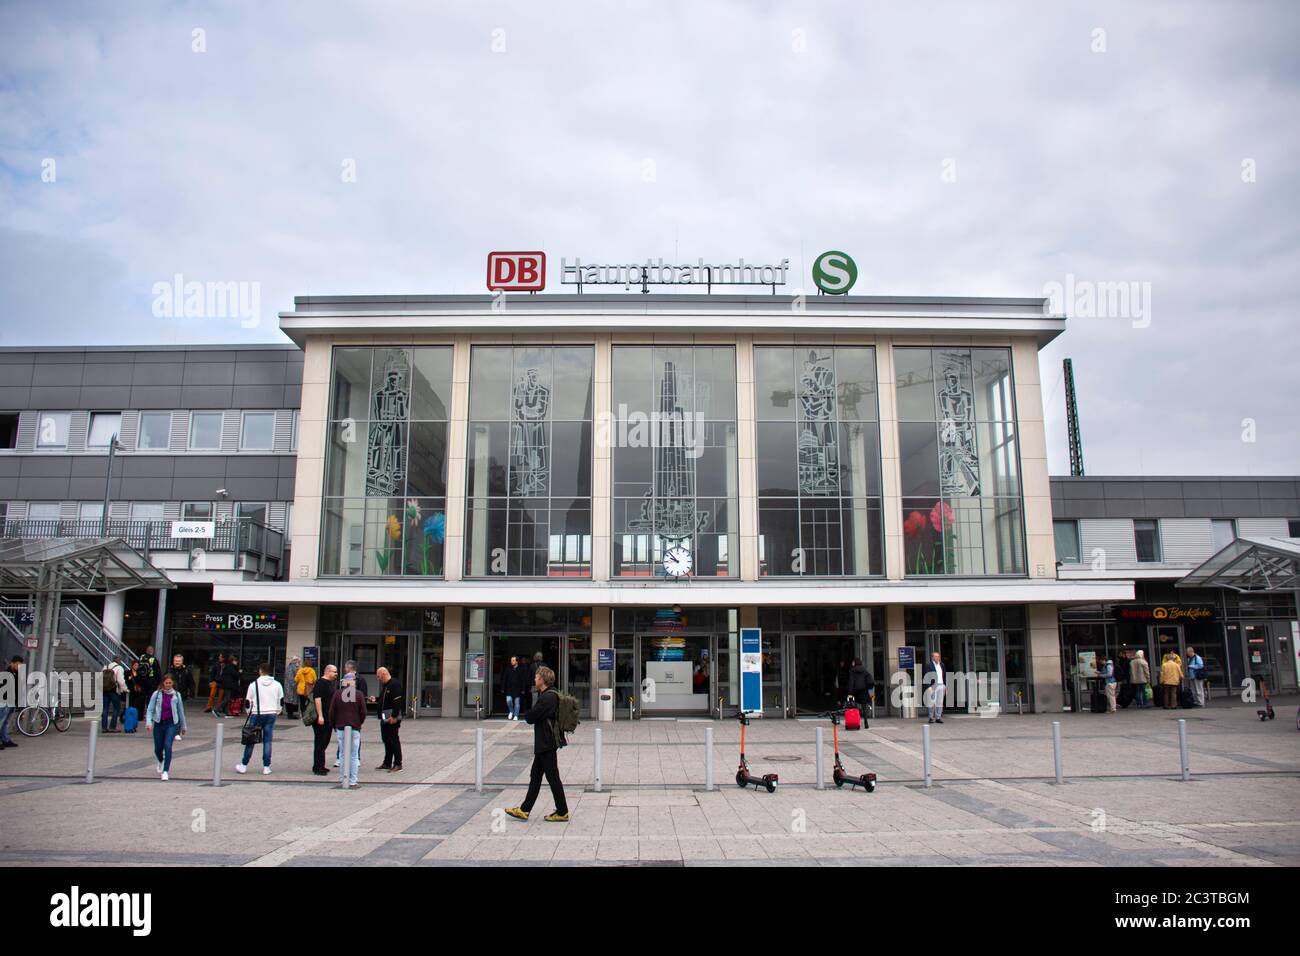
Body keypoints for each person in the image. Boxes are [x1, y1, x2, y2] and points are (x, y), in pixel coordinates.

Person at [506, 664, 569, 823]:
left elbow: (530, 717)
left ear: (542, 679)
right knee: (536, 776)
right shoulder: (549, 695)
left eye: (536, 677)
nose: (534, 679)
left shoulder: (547, 697)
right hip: (545, 743)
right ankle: (524, 810)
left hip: (546, 743)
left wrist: (529, 711)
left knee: (552, 778)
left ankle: (562, 811)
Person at [236, 662, 284, 775]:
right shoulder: (277, 684)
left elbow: (248, 702)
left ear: (260, 671)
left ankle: (244, 765)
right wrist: (277, 711)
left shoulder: (254, 685)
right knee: (268, 741)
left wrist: (250, 712)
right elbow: (281, 700)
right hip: (271, 713)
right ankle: (266, 766)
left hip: (257, 713)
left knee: (251, 739)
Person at [328, 670, 367, 789]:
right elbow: (363, 712)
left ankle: (342, 778)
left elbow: (331, 712)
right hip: (354, 727)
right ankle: (353, 780)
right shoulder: (359, 694)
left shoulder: (337, 694)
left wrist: (334, 725)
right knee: (354, 755)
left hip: (340, 727)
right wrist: (358, 723)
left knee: (342, 754)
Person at [145, 673, 188, 781]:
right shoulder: (157, 694)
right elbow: (150, 709)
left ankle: (165, 771)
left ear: (173, 683)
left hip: (171, 723)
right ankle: (160, 760)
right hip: (159, 723)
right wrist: (149, 722)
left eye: (170, 683)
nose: (168, 685)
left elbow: (180, 711)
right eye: (166, 683)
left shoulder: (176, 695)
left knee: (168, 745)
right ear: (163, 683)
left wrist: (183, 726)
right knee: (158, 749)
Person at [372, 666, 404, 772]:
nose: (378, 678)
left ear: (384, 674)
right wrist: (375, 699)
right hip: (384, 715)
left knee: (393, 739)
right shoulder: (386, 686)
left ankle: (398, 763)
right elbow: (384, 699)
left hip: (391, 716)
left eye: (378, 676)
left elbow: (397, 701)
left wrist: (394, 716)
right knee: (386, 739)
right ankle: (387, 762)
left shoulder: (394, 684)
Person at [311, 664, 338, 776]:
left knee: (325, 741)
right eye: (334, 672)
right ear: (327, 671)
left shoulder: (329, 683)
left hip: (328, 718)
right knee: (320, 742)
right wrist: (320, 715)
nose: (336, 674)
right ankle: (318, 767)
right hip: (322, 718)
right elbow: (317, 699)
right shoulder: (320, 683)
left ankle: (320, 765)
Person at [0, 656, 22, 749]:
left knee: (5, 722)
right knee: (1, 721)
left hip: (12, 702)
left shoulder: (17, 674)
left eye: (20, 665)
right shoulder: (6, 673)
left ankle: (5, 740)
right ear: (12, 663)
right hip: (4, 702)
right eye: (17, 664)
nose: (19, 667)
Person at [100, 655, 126, 732]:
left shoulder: (106, 667)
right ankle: (112, 727)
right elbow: (120, 680)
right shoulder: (119, 668)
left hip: (105, 689)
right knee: (117, 708)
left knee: (105, 708)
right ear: (119, 660)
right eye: (120, 660)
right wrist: (125, 689)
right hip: (113, 690)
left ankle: (104, 728)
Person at [922, 651, 947, 723]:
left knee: (940, 702)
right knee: (932, 702)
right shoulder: (929, 665)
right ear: (932, 657)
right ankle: (931, 717)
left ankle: (938, 717)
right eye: (935, 656)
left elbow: (944, 676)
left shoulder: (942, 665)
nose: (937, 658)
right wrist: (928, 687)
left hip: (941, 685)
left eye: (938, 656)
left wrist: (945, 686)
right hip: (933, 686)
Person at [294, 657, 318, 721]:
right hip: (309, 689)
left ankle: (303, 715)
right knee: (310, 702)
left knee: (302, 703)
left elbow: (296, 679)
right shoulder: (312, 671)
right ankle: (308, 715)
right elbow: (315, 680)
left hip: (301, 689)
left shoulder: (300, 670)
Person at [502, 655, 526, 721]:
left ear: (517, 661)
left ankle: (516, 715)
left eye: (513, 660)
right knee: (508, 700)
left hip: (518, 688)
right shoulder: (508, 668)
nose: (511, 662)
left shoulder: (521, 669)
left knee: (517, 703)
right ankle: (511, 711)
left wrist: (523, 689)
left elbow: (523, 680)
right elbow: (504, 678)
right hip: (509, 688)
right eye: (511, 660)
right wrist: (503, 688)